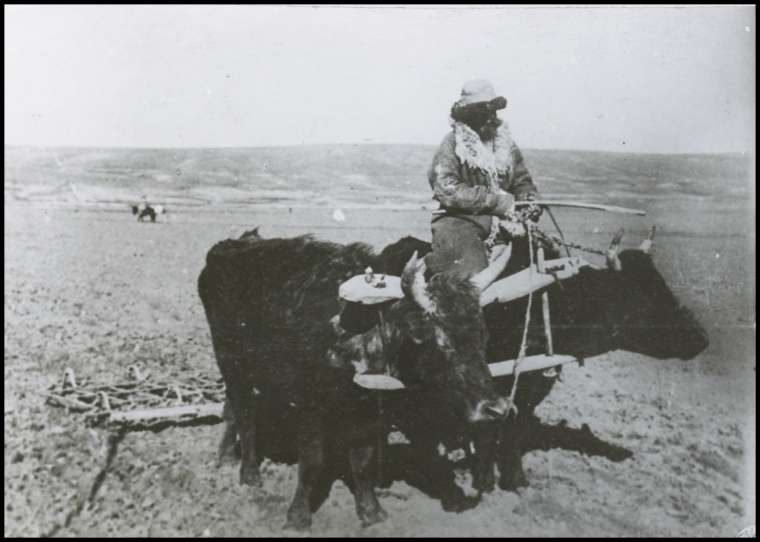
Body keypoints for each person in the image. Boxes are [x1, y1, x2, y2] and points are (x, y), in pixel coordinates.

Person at [425, 79, 541, 278]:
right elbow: (447, 188)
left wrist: (528, 201)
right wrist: (497, 201)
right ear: (468, 115)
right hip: (459, 222)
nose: (490, 118)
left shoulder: (505, 144)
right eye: (483, 112)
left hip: (505, 223)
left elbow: (522, 180)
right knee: (471, 276)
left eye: (493, 111)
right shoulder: (452, 144)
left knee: (544, 259)